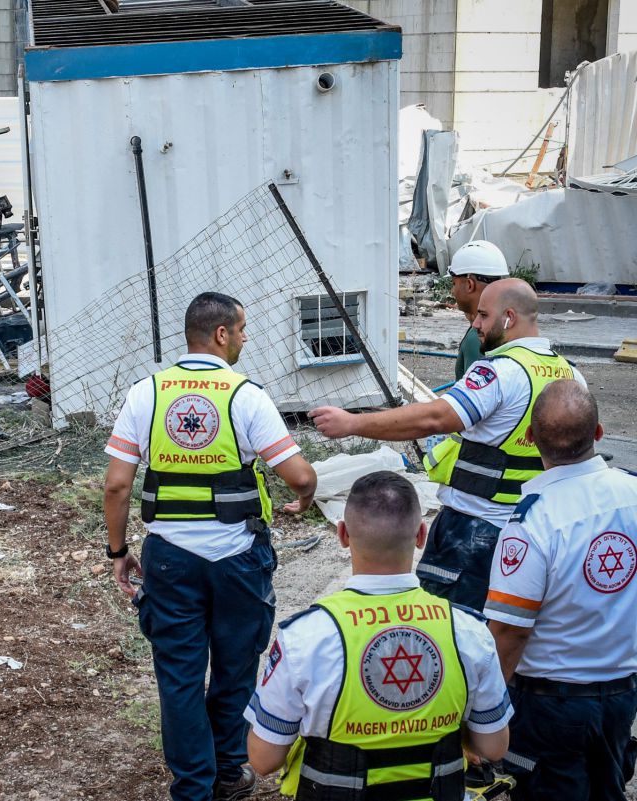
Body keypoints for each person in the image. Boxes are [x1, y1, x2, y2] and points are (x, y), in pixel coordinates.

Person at [105, 291, 318, 801]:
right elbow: (299, 475)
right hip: (236, 558)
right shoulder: (246, 396)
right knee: (235, 666)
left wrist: (117, 552)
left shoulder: (146, 393)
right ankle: (227, 772)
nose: (245, 338)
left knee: (179, 677)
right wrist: (305, 498)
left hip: (169, 559)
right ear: (221, 334)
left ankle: (193, 789)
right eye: (242, 329)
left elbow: (116, 485)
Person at [309, 278, 583, 610]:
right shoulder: (571, 376)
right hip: (538, 529)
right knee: (513, 623)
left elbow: (435, 418)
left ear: (509, 317)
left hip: (475, 530)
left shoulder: (499, 373)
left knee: (449, 626)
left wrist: (352, 423)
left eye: (483, 315)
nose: (476, 324)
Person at [244, 471, 512, 801]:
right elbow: (494, 746)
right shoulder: (468, 631)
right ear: (421, 534)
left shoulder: (306, 637)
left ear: (343, 534)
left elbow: (264, 759)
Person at [484, 380, 637, 801]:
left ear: (530, 438)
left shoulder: (533, 523)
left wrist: (485, 713)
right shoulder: (633, 494)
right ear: (599, 433)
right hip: (621, 694)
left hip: (550, 705)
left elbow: (510, 631)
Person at [447, 241, 510, 380]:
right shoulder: (508, 325)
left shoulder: (479, 337)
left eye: (454, 283)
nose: (452, 291)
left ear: (469, 285)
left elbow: (473, 392)